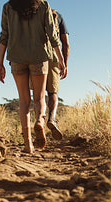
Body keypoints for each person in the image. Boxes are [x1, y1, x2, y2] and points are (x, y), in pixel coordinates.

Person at [0, 0, 67, 152]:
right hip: (39, 56)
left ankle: (28, 144)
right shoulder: (43, 5)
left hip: (16, 57)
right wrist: (61, 59)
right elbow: (52, 34)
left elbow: (4, 36)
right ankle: (40, 122)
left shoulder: (8, 7)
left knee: (23, 101)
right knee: (39, 98)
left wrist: (0, 63)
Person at [45, 9, 69, 140]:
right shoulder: (58, 16)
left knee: (39, 94)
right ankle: (52, 119)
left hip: (38, 56)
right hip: (55, 57)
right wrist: (64, 62)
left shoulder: (36, 14)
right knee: (53, 93)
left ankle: (39, 122)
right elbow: (66, 43)